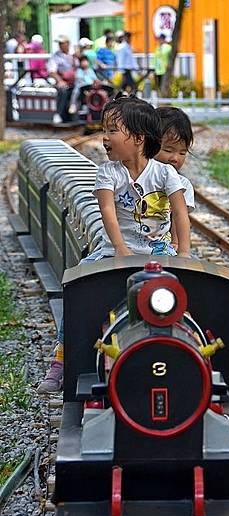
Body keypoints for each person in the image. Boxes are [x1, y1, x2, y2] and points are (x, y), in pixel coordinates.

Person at [37, 94, 190, 394]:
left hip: (159, 250)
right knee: (76, 285)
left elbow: (181, 212)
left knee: (191, 286)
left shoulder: (165, 173)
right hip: (113, 249)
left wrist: (183, 252)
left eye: (111, 131)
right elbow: (107, 210)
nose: (104, 138)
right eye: (105, 130)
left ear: (137, 137)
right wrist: (120, 250)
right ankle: (61, 358)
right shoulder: (108, 171)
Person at [154, 106, 194, 249]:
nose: (175, 158)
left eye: (182, 153)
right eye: (168, 150)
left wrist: (176, 243)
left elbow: (179, 217)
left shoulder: (183, 185)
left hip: (162, 246)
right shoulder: (136, 176)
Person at [48, 35, 78, 124]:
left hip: (76, 81)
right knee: (63, 91)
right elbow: (52, 71)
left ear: (68, 44)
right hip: (63, 81)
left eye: (62, 43)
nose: (60, 45)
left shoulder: (73, 55)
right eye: (59, 43)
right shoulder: (56, 56)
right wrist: (60, 80)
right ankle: (59, 114)